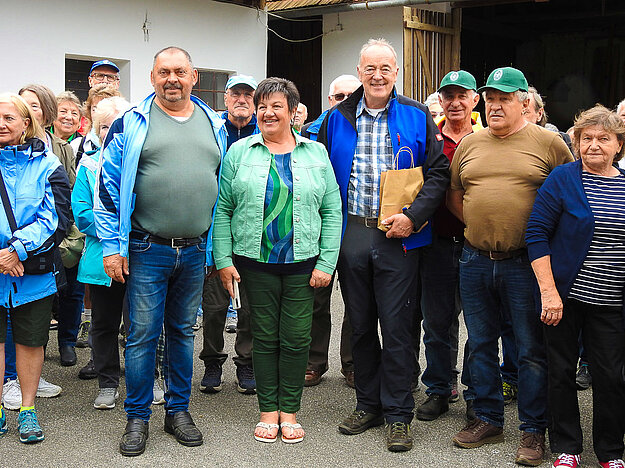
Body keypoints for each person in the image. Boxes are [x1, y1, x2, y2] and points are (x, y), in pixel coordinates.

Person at [317, 38, 449, 452]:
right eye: (370, 68)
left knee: (397, 328)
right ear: (359, 72)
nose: (377, 76)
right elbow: (320, 175)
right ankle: (368, 405)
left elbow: (439, 174)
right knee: (359, 324)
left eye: (385, 68)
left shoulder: (416, 114)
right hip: (352, 231)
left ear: (396, 72)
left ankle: (398, 414)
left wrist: (414, 217)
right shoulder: (335, 118)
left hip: (400, 236)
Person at [95, 46, 226, 456]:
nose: (172, 79)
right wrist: (113, 248)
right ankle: (137, 418)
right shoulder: (130, 123)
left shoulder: (213, 122)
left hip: (194, 250)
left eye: (180, 72)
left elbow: (219, 188)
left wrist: (215, 251)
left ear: (194, 78)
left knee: (183, 334)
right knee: (142, 337)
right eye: (164, 72)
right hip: (146, 248)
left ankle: (178, 411)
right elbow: (108, 189)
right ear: (152, 78)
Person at [447, 67, 573, 466]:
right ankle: (487, 417)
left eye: (504, 98)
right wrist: (481, 225)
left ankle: (533, 431)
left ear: (523, 102)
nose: (495, 105)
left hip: (525, 263)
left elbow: (571, 196)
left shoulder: (550, 144)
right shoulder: (470, 143)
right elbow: (455, 194)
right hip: (475, 259)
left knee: (531, 350)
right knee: (480, 343)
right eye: (490, 98)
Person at [213, 77, 342, 444]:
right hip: (255, 262)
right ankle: (268, 411)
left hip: (305, 263)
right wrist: (223, 258)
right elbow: (222, 209)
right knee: (264, 338)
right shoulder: (240, 153)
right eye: (263, 106)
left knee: (299, 338)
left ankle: (291, 411)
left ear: (292, 112)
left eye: (276, 106)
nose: (268, 113)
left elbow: (332, 211)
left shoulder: (315, 153)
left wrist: (326, 263)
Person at [526, 104, 625, 468]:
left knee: (612, 377)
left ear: (618, 145)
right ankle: (568, 447)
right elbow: (536, 235)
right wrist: (549, 293)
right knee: (562, 372)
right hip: (566, 299)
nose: (594, 145)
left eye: (604, 139)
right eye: (586, 138)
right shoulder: (563, 178)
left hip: (612, 301)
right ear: (576, 141)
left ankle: (611, 452)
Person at [0, 93, 70, 443]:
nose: (2, 124)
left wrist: (16, 250)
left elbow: (55, 218)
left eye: (9, 118)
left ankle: (27, 410)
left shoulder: (48, 165)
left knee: (29, 342)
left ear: (26, 123)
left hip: (32, 270)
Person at [416, 70, 482, 422]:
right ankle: (439, 389)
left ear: (475, 100)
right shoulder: (429, 136)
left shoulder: (487, 137)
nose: (455, 102)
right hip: (437, 242)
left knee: (479, 324)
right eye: (448, 96)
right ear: (440, 101)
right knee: (437, 323)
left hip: (477, 244)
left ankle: (476, 392)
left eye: (462, 95)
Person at [72, 96, 134, 409]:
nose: (113, 131)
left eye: (120, 125)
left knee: (141, 326)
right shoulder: (88, 165)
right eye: (106, 126)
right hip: (101, 259)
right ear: (98, 129)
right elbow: (82, 214)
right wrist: (119, 229)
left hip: (140, 257)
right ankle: (108, 383)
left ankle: (145, 381)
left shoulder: (140, 162)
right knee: (104, 325)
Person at [300, 74, 360, 388]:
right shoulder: (310, 132)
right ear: (329, 100)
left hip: (354, 227)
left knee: (355, 300)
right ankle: (313, 362)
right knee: (316, 299)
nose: (344, 101)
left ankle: (351, 364)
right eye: (339, 96)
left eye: (351, 95)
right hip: (318, 228)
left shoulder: (366, 129)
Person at [199, 74, 258, 395]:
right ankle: (211, 361)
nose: (242, 100)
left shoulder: (266, 132)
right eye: (236, 94)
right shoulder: (212, 130)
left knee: (249, 307)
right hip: (214, 233)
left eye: (248, 95)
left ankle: (246, 363)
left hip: (252, 234)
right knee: (214, 306)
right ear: (226, 98)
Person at [49, 90, 86, 368]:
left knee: (73, 289)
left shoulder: (83, 146)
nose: (69, 117)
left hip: (72, 228)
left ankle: (68, 343)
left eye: (75, 113)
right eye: (64, 111)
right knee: (48, 289)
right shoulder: (45, 145)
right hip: (46, 227)